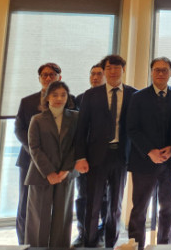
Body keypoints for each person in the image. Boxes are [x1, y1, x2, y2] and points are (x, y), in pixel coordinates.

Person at [74, 54, 136, 248]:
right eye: (109, 68)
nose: (113, 71)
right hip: (96, 157)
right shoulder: (91, 95)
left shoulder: (134, 94)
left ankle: (111, 243)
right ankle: (90, 242)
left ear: (123, 70)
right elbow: (82, 128)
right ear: (104, 71)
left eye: (117, 67)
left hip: (121, 156)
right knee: (92, 203)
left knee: (115, 205)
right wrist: (80, 157)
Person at [127, 57, 171, 249]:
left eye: (164, 70)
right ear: (151, 72)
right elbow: (132, 128)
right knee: (139, 208)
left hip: (170, 164)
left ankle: (164, 245)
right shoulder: (138, 97)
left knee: (168, 208)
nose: (160, 73)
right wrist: (149, 151)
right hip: (144, 163)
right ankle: (136, 245)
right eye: (157, 70)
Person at [24, 80, 78, 247]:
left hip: (65, 174)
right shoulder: (37, 119)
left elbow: (77, 145)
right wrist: (49, 172)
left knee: (62, 217)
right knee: (38, 218)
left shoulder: (76, 117)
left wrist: (65, 170)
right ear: (47, 97)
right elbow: (34, 148)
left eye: (63, 95)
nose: (59, 98)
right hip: (41, 174)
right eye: (55, 95)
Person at [14, 62, 63, 244]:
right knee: (26, 204)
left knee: (57, 205)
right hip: (30, 161)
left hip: (58, 163)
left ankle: (52, 243)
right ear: (40, 78)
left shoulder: (68, 100)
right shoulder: (27, 101)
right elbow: (19, 129)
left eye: (52, 74)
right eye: (44, 75)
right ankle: (24, 243)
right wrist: (35, 151)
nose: (48, 78)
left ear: (59, 78)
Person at [73, 63, 108, 247]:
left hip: (105, 158)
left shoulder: (112, 98)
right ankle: (83, 232)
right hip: (84, 158)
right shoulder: (80, 98)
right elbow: (77, 131)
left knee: (105, 198)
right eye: (92, 74)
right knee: (83, 197)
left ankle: (101, 232)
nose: (95, 77)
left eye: (99, 74)